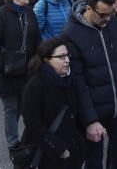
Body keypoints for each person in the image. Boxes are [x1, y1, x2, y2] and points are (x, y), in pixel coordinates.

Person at [62, 0, 117, 169]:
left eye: (110, 14)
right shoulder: (71, 34)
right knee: (94, 162)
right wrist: (89, 120)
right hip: (94, 112)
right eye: (103, 15)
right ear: (88, 9)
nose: (107, 19)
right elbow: (77, 81)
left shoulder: (113, 21)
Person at [0, 0, 42, 153]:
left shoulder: (29, 12)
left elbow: (36, 38)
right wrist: (4, 63)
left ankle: (32, 138)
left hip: (27, 72)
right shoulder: (1, 15)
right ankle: (13, 144)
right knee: (11, 109)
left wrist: (38, 60)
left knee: (28, 108)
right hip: (7, 73)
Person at [19, 37, 86, 169]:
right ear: (47, 60)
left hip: (71, 152)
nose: (67, 60)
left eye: (67, 55)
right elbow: (32, 122)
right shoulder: (36, 85)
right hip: (47, 154)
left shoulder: (69, 80)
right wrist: (58, 147)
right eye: (61, 57)